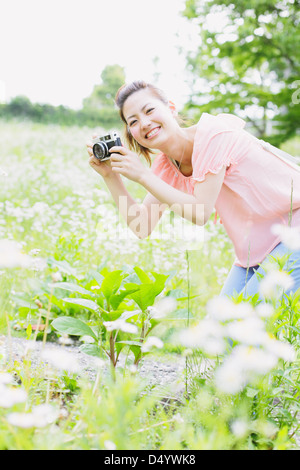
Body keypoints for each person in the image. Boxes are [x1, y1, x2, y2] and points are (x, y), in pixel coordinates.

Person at [86, 80, 300, 299]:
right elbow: (141, 226)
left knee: (241, 324)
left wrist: (142, 175)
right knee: (221, 328)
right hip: (256, 250)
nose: (144, 123)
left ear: (170, 107)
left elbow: (200, 212)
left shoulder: (212, 136)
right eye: (133, 121)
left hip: (295, 231)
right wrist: (110, 176)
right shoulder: (166, 167)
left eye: (149, 110)